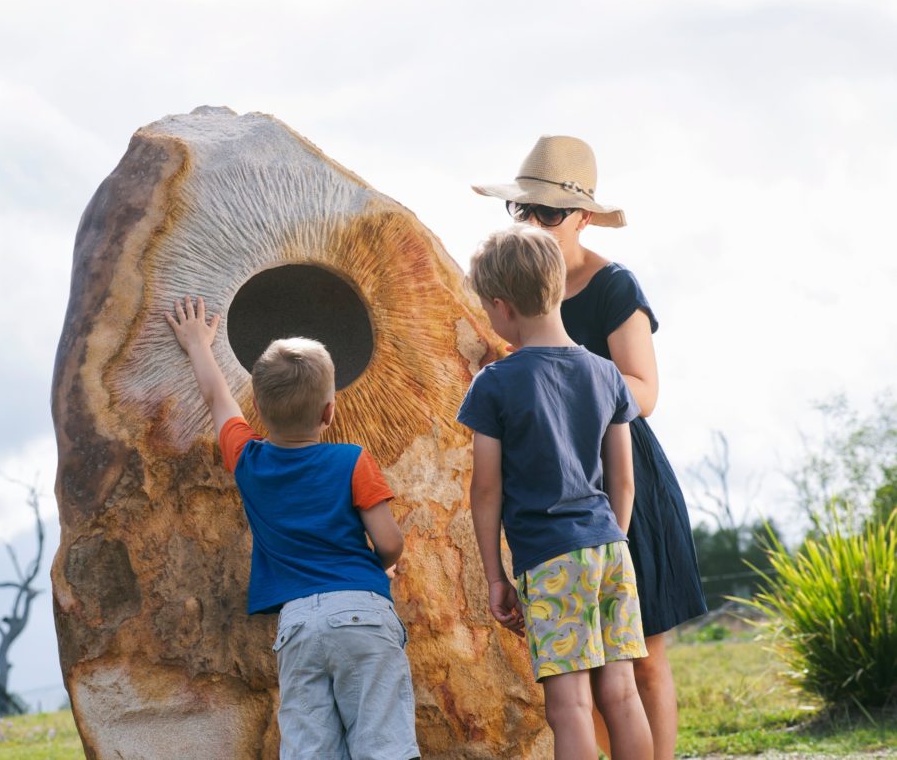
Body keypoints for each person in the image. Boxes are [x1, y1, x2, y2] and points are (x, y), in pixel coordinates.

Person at [472, 135, 707, 759]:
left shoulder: (613, 286)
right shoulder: (514, 287)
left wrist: (563, 386)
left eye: (548, 212)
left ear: (582, 216)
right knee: (599, 680)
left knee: (641, 661)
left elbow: (645, 390)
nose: (534, 222)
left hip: (619, 472)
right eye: (523, 209)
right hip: (558, 482)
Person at [165, 295, 419, 760]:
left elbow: (217, 398)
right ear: (329, 411)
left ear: (258, 410)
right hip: (362, 610)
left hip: (298, 624)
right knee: (383, 743)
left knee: (310, 749)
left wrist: (198, 343)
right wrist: (379, 567)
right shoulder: (352, 460)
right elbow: (389, 541)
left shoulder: (248, 460)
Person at [457, 225, 653, 760]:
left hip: (549, 559)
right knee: (621, 692)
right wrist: (611, 540)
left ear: (501, 307)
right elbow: (624, 480)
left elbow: (486, 490)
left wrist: (496, 576)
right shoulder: (607, 374)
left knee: (569, 708)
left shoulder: (493, 383)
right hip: (611, 548)